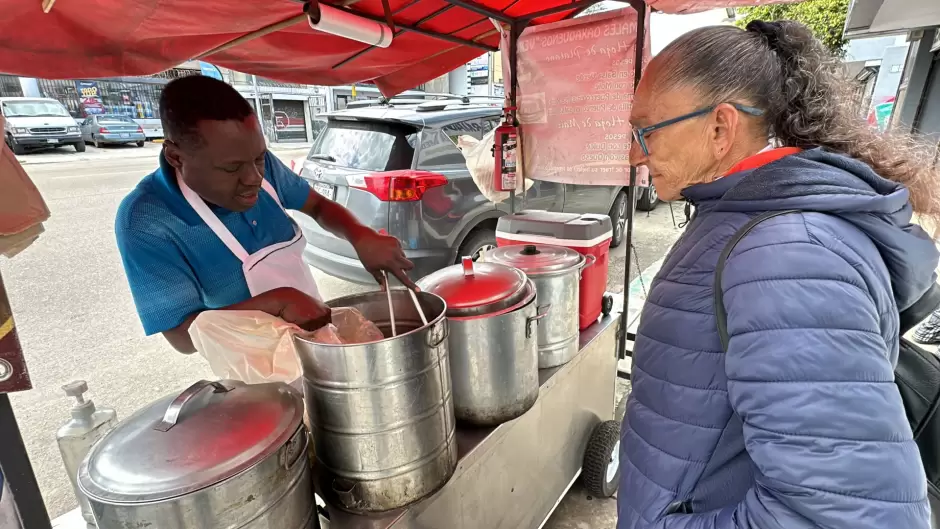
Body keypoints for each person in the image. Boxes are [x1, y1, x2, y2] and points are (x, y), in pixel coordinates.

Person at [620, 20, 940, 529]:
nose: (636, 153)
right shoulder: (745, 217)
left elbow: (846, 514)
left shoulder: (788, 254)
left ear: (720, 128)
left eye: (646, 131)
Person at [115, 76, 416, 353]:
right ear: (176, 157)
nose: (254, 178)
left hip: (320, 339)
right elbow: (184, 336)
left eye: (259, 158)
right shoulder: (146, 220)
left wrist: (359, 234)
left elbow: (318, 206)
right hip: (252, 362)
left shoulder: (257, 164)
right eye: (231, 168)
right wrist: (277, 302)